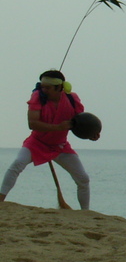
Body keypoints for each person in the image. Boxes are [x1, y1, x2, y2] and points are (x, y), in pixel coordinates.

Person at [0, 70, 100, 209]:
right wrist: (58, 127)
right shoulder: (37, 97)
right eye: (42, 86)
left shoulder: (72, 99)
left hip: (60, 146)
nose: (43, 89)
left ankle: (85, 212)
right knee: (17, 164)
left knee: (83, 179)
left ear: (59, 88)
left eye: (47, 87)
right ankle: (1, 200)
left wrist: (91, 134)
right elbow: (32, 123)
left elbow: (80, 121)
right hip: (36, 143)